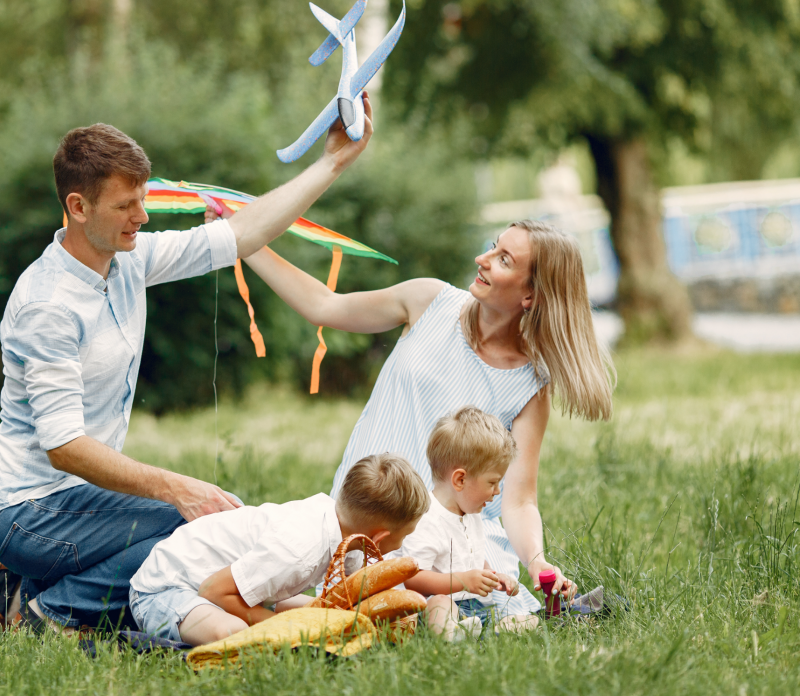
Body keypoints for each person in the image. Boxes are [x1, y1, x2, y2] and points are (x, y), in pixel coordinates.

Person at [0, 95, 376, 640]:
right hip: (31, 513)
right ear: (77, 207)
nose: (141, 217)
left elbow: (241, 235)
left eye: (142, 200)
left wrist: (333, 162)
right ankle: (43, 613)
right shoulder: (48, 305)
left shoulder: (127, 259)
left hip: (77, 502)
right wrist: (176, 489)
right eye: (125, 206)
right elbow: (64, 445)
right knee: (186, 533)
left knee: (201, 534)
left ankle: (29, 588)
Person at [227, 217, 615, 617]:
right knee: (383, 605)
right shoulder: (429, 301)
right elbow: (324, 306)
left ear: (530, 294)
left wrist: (536, 560)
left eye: (503, 259)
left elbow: (517, 499)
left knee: (453, 608)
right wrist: (243, 242)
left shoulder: (530, 383)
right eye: (492, 246)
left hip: (453, 546)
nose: (482, 259)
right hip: (373, 522)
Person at [128, 453, 430, 646]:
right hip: (169, 590)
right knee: (234, 633)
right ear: (380, 537)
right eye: (408, 534)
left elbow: (348, 600)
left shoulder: (346, 532)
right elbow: (212, 591)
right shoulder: (299, 550)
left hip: (232, 586)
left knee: (320, 615)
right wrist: (286, 626)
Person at [397, 407, 538, 640]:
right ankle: (452, 632)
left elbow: (471, 557)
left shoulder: (470, 512)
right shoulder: (426, 518)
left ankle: (481, 631)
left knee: (527, 618)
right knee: (440, 606)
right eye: (492, 482)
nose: (496, 492)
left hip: (477, 607)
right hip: (440, 604)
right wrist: (463, 581)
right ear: (460, 479)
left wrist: (492, 575)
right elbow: (413, 579)